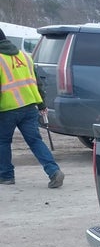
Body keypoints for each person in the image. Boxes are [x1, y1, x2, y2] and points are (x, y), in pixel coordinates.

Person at [0, 27, 64, 188]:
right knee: (35, 141)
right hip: (29, 106)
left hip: (7, 109)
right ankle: (54, 171)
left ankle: (7, 175)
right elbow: (37, 82)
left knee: (3, 142)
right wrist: (41, 104)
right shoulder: (25, 56)